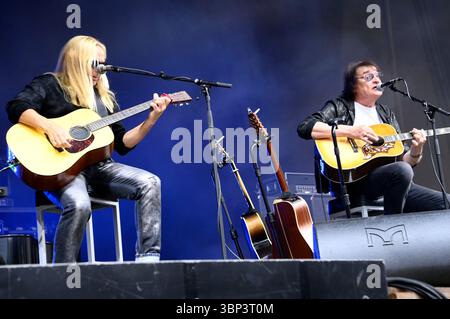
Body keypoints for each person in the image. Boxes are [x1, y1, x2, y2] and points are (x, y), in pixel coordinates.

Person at [6, 35, 171, 263]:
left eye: (103, 66)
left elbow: (122, 143)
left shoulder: (103, 99)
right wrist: (50, 127)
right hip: (62, 171)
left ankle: (148, 260)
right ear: (76, 60)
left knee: (150, 183)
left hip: (101, 169)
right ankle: (62, 273)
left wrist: (151, 120)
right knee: (80, 204)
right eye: (95, 64)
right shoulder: (51, 84)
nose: (100, 71)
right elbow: (17, 107)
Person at [297, 60, 449, 214]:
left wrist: (417, 149)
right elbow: (305, 127)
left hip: (393, 180)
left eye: (377, 76)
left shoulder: (386, 114)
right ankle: (394, 226)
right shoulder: (340, 106)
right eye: (368, 77)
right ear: (353, 85)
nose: (377, 80)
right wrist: (350, 131)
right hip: (355, 182)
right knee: (401, 171)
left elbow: (404, 160)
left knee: (446, 202)